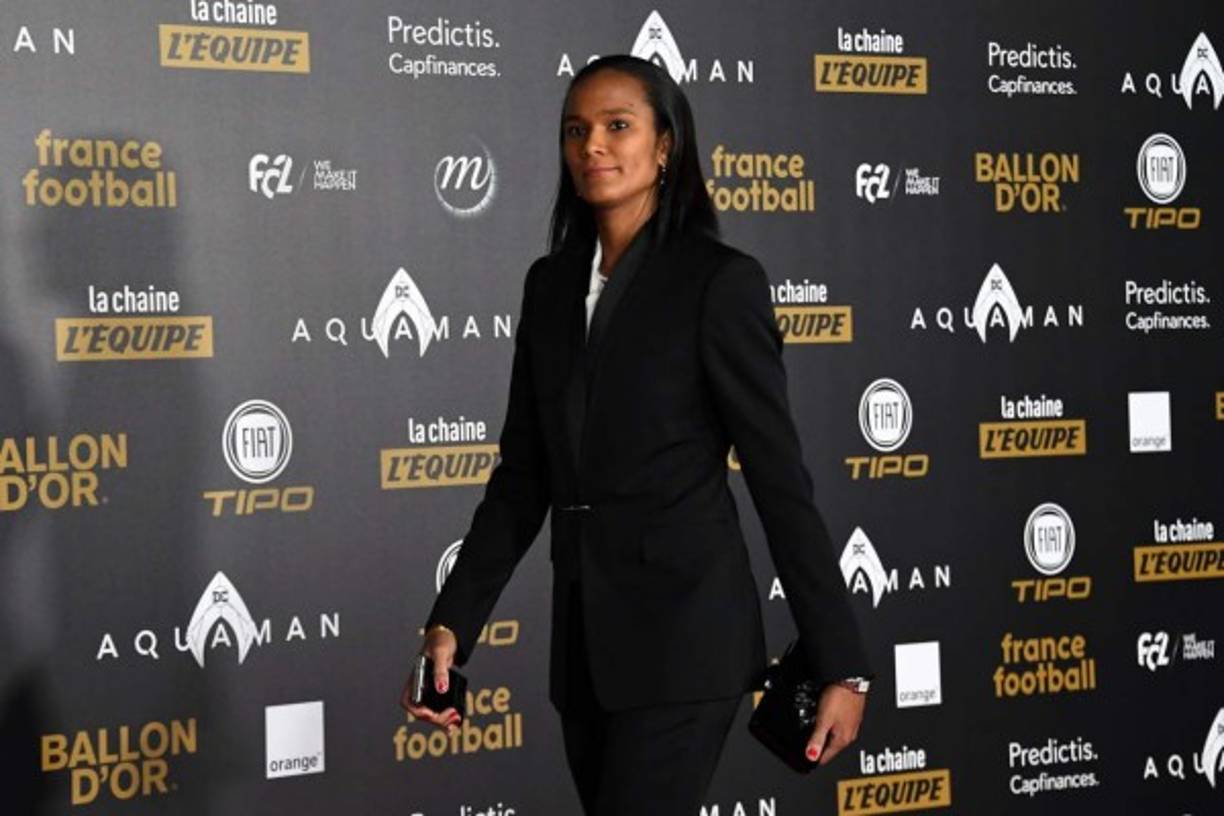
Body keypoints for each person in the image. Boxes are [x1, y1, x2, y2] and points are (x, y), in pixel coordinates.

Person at [404, 54, 871, 814]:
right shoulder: (549, 286)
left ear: (665, 148)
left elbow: (781, 482)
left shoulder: (719, 283)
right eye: (576, 130)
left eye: (618, 126)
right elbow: (524, 474)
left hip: (689, 642)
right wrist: (454, 621)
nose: (593, 145)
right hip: (586, 654)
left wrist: (842, 667)